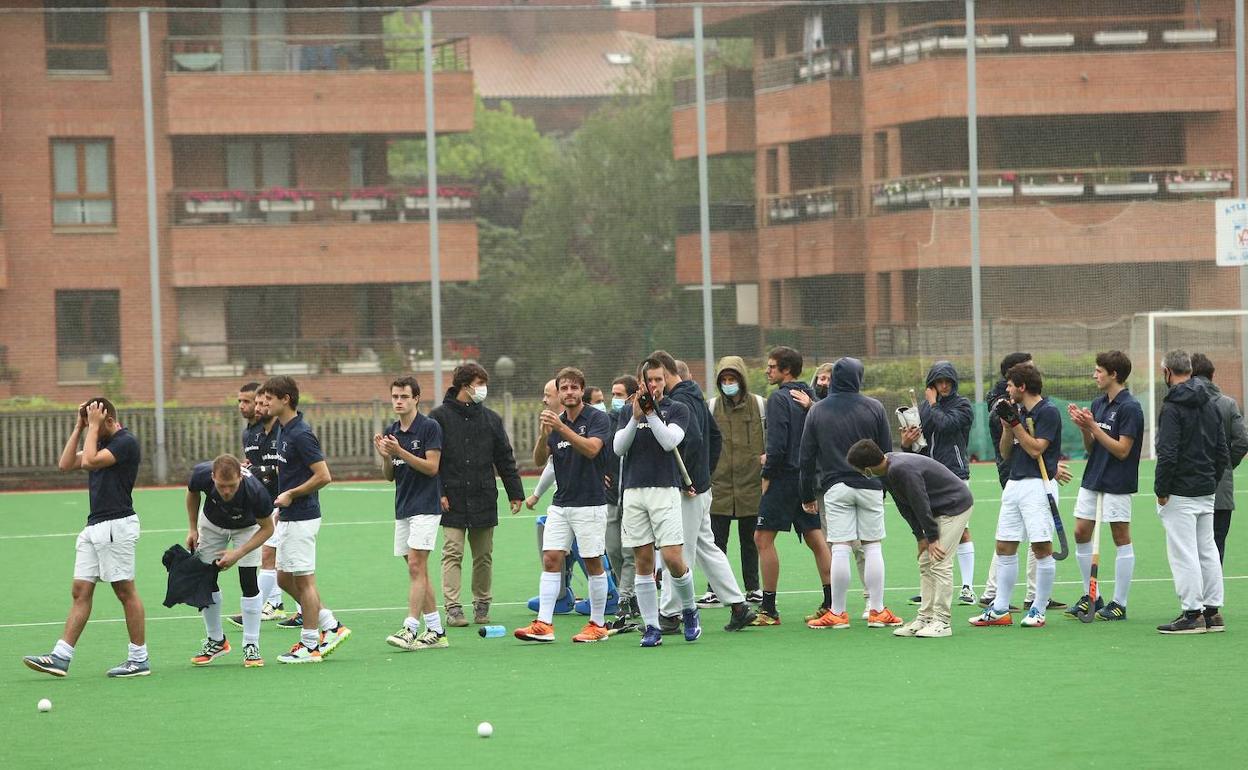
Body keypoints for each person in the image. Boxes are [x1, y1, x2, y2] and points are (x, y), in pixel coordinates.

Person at [24, 399, 149, 678]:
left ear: (107, 419)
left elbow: (90, 462)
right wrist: (81, 425)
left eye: (94, 420)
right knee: (80, 591)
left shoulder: (125, 441)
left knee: (124, 591)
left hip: (117, 525)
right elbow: (65, 464)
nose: (90, 426)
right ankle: (61, 657)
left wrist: (92, 427)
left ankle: (139, 659)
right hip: (94, 527)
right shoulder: (98, 440)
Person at [655, 354, 756, 633]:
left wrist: (686, 478)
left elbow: (698, 439)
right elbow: (716, 436)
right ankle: (739, 606)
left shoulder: (681, 400)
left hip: (688, 488)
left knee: (678, 548)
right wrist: (704, 476)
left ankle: (670, 614)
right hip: (699, 486)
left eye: (655, 377)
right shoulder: (694, 395)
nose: (651, 383)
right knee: (705, 547)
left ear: (666, 373)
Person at [800, 357, 902, 630]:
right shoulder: (874, 407)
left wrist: (807, 494)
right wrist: (884, 486)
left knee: (841, 547)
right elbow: (885, 452)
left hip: (835, 488)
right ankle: (878, 610)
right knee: (872, 545)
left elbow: (806, 457)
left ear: (833, 379)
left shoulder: (818, 411)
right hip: (869, 485)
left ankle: (838, 612)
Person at [515, 367, 614, 643]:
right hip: (561, 503)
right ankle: (544, 625)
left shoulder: (597, 418)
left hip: (590, 502)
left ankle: (597, 625)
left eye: (574, 387)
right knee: (551, 559)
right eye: (564, 388)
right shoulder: (555, 422)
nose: (569, 392)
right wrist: (543, 434)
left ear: (582, 391)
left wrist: (561, 429)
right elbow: (538, 460)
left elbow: (593, 449)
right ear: (558, 393)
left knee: (593, 561)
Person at [259, 376, 351, 663]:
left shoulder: (301, 433)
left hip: (302, 516)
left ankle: (310, 645)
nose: (265, 404)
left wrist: (292, 494)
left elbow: (323, 475)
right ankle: (330, 625)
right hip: (287, 515)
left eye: (270, 398)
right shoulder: (282, 431)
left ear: (285, 399)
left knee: (305, 581)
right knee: (284, 577)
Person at [614, 357, 701, 647]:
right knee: (642, 560)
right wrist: (636, 417)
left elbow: (669, 442)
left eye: (659, 380)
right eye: (649, 380)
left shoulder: (678, 409)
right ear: (641, 382)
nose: (653, 385)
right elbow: (618, 448)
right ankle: (652, 627)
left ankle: (689, 610)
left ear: (666, 380)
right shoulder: (628, 410)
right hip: (634, 491)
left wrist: (650, 414)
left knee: (674, 558)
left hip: (665, 490)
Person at [848, 440, 973, 638]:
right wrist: (920, 536)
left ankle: (942, 621)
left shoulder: (902, 470)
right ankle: (925, 618)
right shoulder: (886, 470)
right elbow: (904, 505)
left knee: (939, 561)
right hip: (936, 509)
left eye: (860, 470)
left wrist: (932, 538)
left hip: (954, 506)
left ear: (867, 468)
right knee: (925, 561)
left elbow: (920, 502)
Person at [431, 363, 525, 627]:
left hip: (484, 497)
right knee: (452, 552)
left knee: (483, 555)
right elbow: (432, 460)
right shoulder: (438, 418)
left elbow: (505, 457)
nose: (483, 389)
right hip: (452, 498)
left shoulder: (491, 419)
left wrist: (514, 492)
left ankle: (482, 603)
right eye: (479, 383)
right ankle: (452, 608)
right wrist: (439, 492)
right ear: (464, 386)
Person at [971, 363, 1061, 629]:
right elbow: (1006, 452)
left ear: (1022, 386)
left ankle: (1039, 608)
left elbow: (1036, 450)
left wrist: (1016, 424)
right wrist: (1008, 426)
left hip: (1038, 484)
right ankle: (1000, 608)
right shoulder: (1018, 411)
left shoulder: (1048, 412)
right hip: (1014, 483)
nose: (1007, 389)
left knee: (1041, 548)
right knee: (1004, 546)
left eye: (1010, 385)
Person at [753, 346, 830, 626]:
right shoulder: (810, 397)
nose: (767, 370)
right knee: (815, 537)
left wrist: (767, 473)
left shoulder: (778, 399)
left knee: (762, 538)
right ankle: (831, 603)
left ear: (786, 370)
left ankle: (769, 609)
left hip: (784, 477)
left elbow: (778, 442)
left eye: (772, 366)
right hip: (807, 477)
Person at [1065, 351, 1143, 621]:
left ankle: (1119, 603)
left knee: (1120, 536)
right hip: (1093, 476)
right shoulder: (1098, 403)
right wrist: (1085, 429)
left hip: (1117, 481)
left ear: (1114, 375)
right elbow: (1091, 447)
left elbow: (1122, 450)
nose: (1094, 375)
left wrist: (1094, 428)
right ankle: (1093, 596)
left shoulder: (1130, 407)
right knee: (1080, 531)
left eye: (1099, 371)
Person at [1154, 350, 1228, 634]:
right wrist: (1212, 477)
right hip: (1206, 487)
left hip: (1180, 492)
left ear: (1168, 373)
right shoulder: (1210, 402)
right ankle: (1213, 612)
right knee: (1207, 550)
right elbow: (1221, 449)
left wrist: (1162, 488)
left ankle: (1192, 613)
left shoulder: (1172, 406)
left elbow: (1168, 452)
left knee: (1183, 552)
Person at [376, 377, 447, 651]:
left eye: (404, 396)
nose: (398, 401)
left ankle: (410, 628)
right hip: (403, 507)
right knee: (417, 569)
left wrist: (400, 451)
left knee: (417, 566)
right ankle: (437, 630)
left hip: (426, 507)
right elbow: (389, 476)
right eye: (395, 396)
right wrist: (385, 456)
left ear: (416, 398)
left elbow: (432, 468)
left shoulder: (429, 427)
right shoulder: (391, 430)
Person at [185, 454, 275, 667]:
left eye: (232, 486)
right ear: (212, 476)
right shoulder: (201, 474)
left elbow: (268, 528)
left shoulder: (256, 491)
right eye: (222, 485)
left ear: (240, 479)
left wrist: (238, 553)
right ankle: (216, 640)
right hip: (212, 523)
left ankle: (251, 645)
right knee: (206, 579)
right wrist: (191, 529)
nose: (226, 491)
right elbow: (192, 494)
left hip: (248, 528)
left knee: (249, 583)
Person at [900, 361, 977, 607]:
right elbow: (918, 444)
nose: (943, 386)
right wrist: (906, 441)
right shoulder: (923, 407)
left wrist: (932, 404)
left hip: (954, 473)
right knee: (928, 527)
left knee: (960, 530)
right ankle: (929, 588)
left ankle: (967, 587)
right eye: (938, 382)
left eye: (947, 382)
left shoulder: (963, 406)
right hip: (927, 475)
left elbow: (945, 424)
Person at [230, 383, 293, 627]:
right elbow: (258, 469)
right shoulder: (251, 434)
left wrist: (256, 470)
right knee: (283, 561)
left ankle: (257, 608)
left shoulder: (284, 429)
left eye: (253, 402)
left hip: (283, 501)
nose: (248, 407)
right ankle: (277, 604)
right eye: (244, 402)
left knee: (273, 555)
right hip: (263, 503)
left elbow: (278, 469)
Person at [708, 356, 766, 605]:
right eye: (724, 380)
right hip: (718, 484)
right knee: (715, 542)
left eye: (732, 379)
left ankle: (753, 587)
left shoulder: (761, 406)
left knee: (750, 540)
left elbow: (771, 438)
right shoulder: (710, 407)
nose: (728, 383)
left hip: (751, 484)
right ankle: (714, 589)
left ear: (742, 379)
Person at [1191, 353, 1248, 563]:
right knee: (1216, 549)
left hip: (1190, 489)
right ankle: (1214, 596)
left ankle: (1194, 595)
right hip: (1220, 492)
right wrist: (1225, 465)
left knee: (1191, 551)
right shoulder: (1228, 404)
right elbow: (1242, 441)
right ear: (1212, 375)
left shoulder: (1183, 404)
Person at [605, 375, 640, 620]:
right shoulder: (605, 421)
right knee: (613, 549)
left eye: (619, 395)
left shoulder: (636, 420)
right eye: (613, 394)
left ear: (631, 396)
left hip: (632, 497)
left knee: (630, 553)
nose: (614, 400)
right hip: (610, 498)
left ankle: (625, 598)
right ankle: (631, 594)